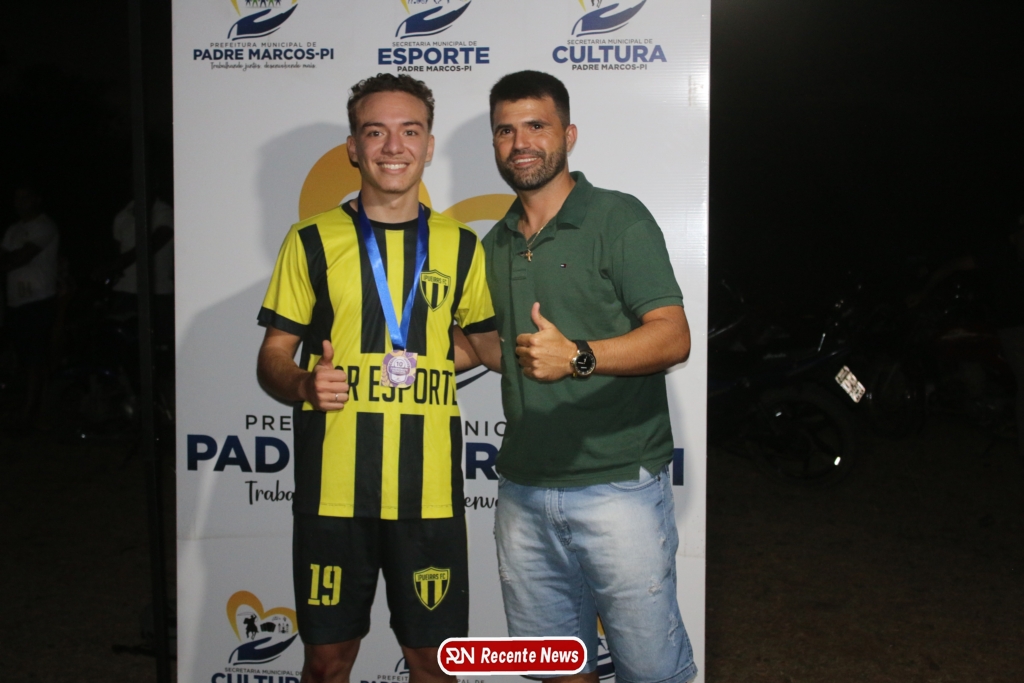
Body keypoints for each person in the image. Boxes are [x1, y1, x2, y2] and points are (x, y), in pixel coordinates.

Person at [256, 73, 499, 683]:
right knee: (327, 661)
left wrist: (560, 344)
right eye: (376, 132)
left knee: (434, 665)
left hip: (430, 496)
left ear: (429, 145)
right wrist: (304, 385)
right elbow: (274, 356)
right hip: (333, 495)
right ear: (353, 147)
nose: (394, 147)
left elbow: (483, 345)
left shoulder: (462, 246)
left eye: (409, 131)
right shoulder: (309, 240)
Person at [473, 70, 698, 683]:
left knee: (651, 672)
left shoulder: (617, 217)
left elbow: (673, 337)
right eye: (505, 131)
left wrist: (578, 356)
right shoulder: (493, 244)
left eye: (536, 126)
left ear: (568, 135)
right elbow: (504, 351)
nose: (520, 142)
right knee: (555, 671)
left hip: (618, 486)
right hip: (523, 490)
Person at [908, 213, 1024, 457]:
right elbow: (952, 266)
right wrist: (924, 292)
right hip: (1013, 329)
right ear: (1014, 235)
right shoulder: (999, 254)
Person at [0, 182, 60, 424]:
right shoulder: (13, 229)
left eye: (25, 197)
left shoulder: (44, 225)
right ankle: (29, 405)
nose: (20, 202)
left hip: (38, 300)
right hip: (16, 301)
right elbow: (6, 256)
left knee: (36, 357)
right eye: (17, 198)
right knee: (24, 356)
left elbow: (19, 257)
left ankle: (32, 411)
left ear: (37, 199)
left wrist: (10, 258)